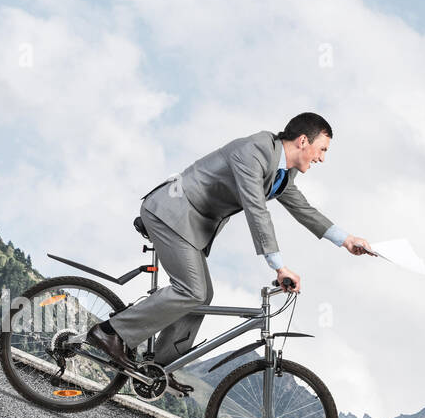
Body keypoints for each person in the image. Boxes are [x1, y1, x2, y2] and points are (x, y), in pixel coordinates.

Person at [84, 112, 373, 380]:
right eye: (322, 149)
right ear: (302, 141)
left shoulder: (283, 171)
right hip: (171, 213)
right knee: (192, 290)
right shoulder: (254, 151)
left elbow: (303, 209)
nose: (322, 158)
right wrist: (279, 266)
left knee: (202, 295)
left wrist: (346, 240)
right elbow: (255, 209)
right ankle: (111, 332)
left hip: (192, 225)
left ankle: (159, 367)